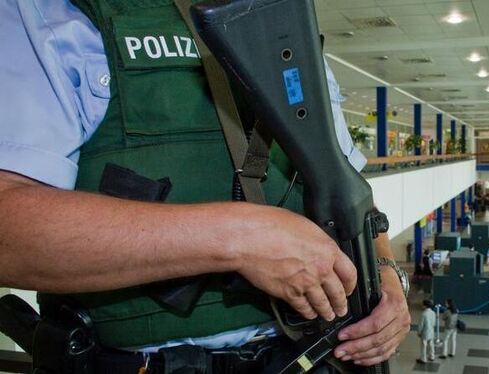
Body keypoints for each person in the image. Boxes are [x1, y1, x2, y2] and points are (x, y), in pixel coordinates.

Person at [0, 1, 410, 371]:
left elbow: (348, 190)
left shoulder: (282, 25)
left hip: (304, 352)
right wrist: (240, 238)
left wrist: (387, 277)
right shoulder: (52, 15)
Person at [416, 299, 436, 364]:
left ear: (425, 306)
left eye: (422, 305)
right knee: (431, 344)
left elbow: (421, 325)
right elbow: (434, 323)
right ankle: (432, 356)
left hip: (425, 333)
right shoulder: (433, 313)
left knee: (423, 346)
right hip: (431, 331)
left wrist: (419, 332)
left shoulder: (423, 314)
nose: (422, 306)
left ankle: (423, 359)